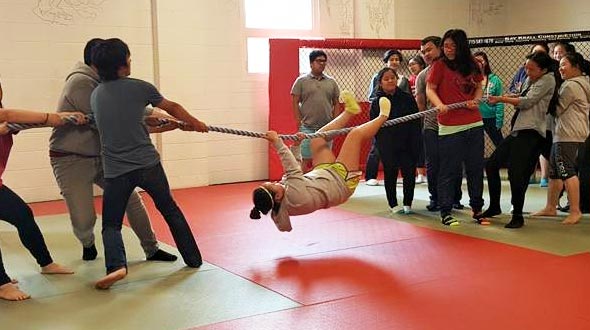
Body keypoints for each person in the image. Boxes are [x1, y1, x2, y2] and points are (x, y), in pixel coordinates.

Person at [90, 38, 208, 289]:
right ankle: (193, 258)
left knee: (111, 223)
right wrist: (194, 122)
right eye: (129, 58)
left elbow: (125, 123)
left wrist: (176, 123)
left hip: (117, 171)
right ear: (122, 64)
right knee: (170, 209)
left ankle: (116, 267)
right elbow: (172, 106)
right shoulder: (141, 88)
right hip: (148, 165)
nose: (131, 62)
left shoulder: (96, 95)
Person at [49, 38, 177, 262]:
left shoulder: (106, 82)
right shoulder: (80, 82)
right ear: (95, 64)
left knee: (133, 201)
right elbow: (110, 117)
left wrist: (159, 119)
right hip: (71, 158)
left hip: (105, 156)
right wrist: (152, 118)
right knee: (84, 218)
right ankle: (88, 244)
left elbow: (124, 106)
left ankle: (151, 248)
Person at [250, 92, 391, 231]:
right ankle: (383, 117)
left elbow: (290, 176)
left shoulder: (281, 202)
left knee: (316, 138)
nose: (276, 182)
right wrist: (277, 142)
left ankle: (350, 111)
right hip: (341, 183)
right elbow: (292, 169)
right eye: (274, 185)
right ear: (278, 196)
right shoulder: (295, 197)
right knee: (355, 135)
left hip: (324, 174)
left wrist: (297, 145)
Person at [0, 108, 85, 301]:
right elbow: (8, 116)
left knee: (23, 216)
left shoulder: (7, 119)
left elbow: (28, 120)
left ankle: (46, 264)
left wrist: (62, 116)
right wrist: (54, 117)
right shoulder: (5, 117)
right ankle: (2, 285)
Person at [481, 51, 557, 228]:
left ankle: (517, 215)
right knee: (492, 164)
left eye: (531, 69)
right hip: (519, 129)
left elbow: (527, 101)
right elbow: (520, 95)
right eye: (526, 67)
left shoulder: (548, 80)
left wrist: (500, 99)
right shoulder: (531, 78)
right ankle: (494, 206)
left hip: (532, 132)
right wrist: (495, 98)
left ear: (543, 69)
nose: (527, 71)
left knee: (516, 173)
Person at [426, 29, 484, 226]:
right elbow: (430, 88)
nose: (448, 49)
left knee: (475, 168)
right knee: (449, 169)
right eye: (446, 45)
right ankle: (445, 210)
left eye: (452, 45)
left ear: (461, 46)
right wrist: (439, 104)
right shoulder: (439, 65)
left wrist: (476, 101)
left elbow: (478, 86)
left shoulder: (472, 64)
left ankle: (477, 209)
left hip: (474, 123)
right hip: (450, 125)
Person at [534, 52, 590, 225]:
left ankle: (575, 210)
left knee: (567, 171)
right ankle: (551, 206)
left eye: (564, 64)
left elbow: (557, 110)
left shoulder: (570, 86)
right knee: (555, 173)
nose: (560, 68)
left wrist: (543, 98)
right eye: (559, 64)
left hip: (568, 134)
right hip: (569, 133)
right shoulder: (583, 83)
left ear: (576, 67)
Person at [371, 67, 421, 214]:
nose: (390, 81)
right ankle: (393, 203)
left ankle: (408, 203)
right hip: (388, 144)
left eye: (392, 78)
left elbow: (415, 121)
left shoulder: (406, 98)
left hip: (407, 143)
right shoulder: (377, 102)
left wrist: (415, 142)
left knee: (409, 172)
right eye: (386, 79)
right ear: (380, 82)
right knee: (390, 172)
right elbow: (374, 126)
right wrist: (382, 145)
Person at [364, 49, 411, 186]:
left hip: (399, 117)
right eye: (392, 59)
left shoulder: (403, 79)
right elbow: (371, 96)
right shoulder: (377, 77)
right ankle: (370, 176)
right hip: (381, 116)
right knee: (377, 145)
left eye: (397, 59)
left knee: (400, 146)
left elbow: (407, 98)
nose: (394, 62)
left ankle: (400, 175)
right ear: (386, 61)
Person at [291, 50, 340, 172]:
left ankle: (321, 185)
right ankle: (302, 185)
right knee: (306, 159)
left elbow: (336, 103)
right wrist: (298, 122)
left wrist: (335, 123)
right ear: (311, 63)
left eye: (324, 61)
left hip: (326, 127)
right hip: (307, 126)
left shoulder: (331, 82)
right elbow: (294, 102)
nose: (322, 64)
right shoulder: (301, 81)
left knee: (323, 159)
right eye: (319, 61)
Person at [474, 51, 504, 147]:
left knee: (499, 143)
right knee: (478, 144)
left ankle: (505, 161)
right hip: (476, 117)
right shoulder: (471, 79)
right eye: (475, 61)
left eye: (480, 60)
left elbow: (500, 100)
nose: (478, 63)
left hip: (491, 117)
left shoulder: (495, 80)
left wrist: (499, 120)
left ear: (485, 62)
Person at [408, 55, 427, 184]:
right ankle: (418, 173)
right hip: (414, 115)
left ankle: (424, 172)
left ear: (421, 65)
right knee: (416, 145)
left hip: (428, 113)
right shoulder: (409, 80)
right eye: (410, 65)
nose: (411, 67)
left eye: (414, 64)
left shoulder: (426, 77)